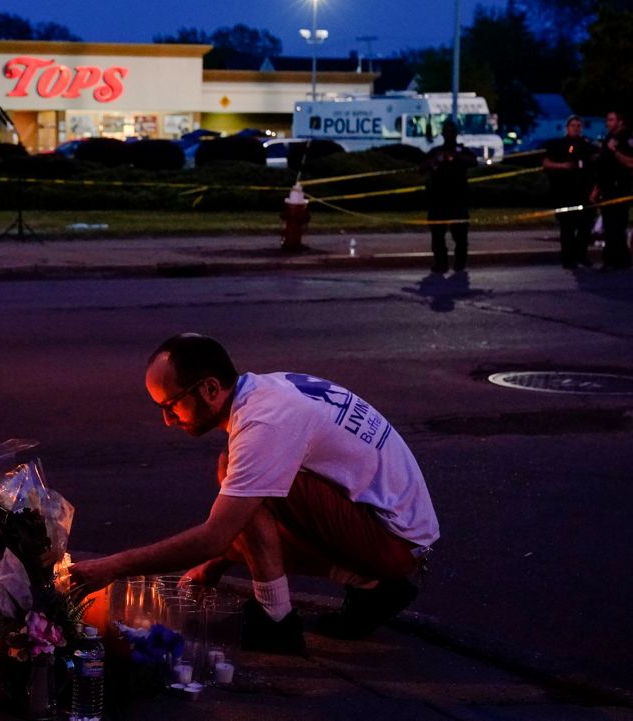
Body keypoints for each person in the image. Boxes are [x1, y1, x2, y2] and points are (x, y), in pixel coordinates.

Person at [70, 334, 440, 654]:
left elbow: (216, 536)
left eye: (171, 405)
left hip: (397, 543)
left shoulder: (265, 422)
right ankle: (370, 585)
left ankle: (275, 622)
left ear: (210, 388)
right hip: (391, 529)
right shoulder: (262, 391)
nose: (167, 420)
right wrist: (216, 565)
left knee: (241, 482)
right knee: (243, 484)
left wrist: (110, 568)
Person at [422, 119, 478, 274]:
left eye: (451, 131)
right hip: (438, 199)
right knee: (437, 235)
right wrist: (436, 161)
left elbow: (474, 162)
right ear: (442, 134)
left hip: (458, 199)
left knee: (460, 236)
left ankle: (459, 264)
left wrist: (457, 158)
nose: (449, 134)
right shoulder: (436, 152)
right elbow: (421, 167)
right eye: (446, 131)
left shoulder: (462, 151)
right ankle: (441, 264)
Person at [542, 116, 597, 269]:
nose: (576, 128)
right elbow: (546, 163)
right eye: (573, 125)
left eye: (579, 126)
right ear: (567, 127)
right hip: (564, 193)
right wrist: (563, 166)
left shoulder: (587, 145)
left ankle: (581, 255)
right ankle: (568, 259)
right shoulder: (557, 145)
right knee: (567, 228)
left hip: (584, 193)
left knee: (585, 227)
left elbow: (594, 168)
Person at [591, 110, 633, 270]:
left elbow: (630, 163)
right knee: (610, 225)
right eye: (607, 120)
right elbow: (603, 166)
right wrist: (596, 189)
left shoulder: (626, 138)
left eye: (611, 120)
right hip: (607, 187)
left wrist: (615, 151)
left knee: (616, 225)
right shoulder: (610, 138)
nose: (608, 123)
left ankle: (614, 261)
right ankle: (618, 260)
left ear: (620, 121)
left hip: (619, 188)